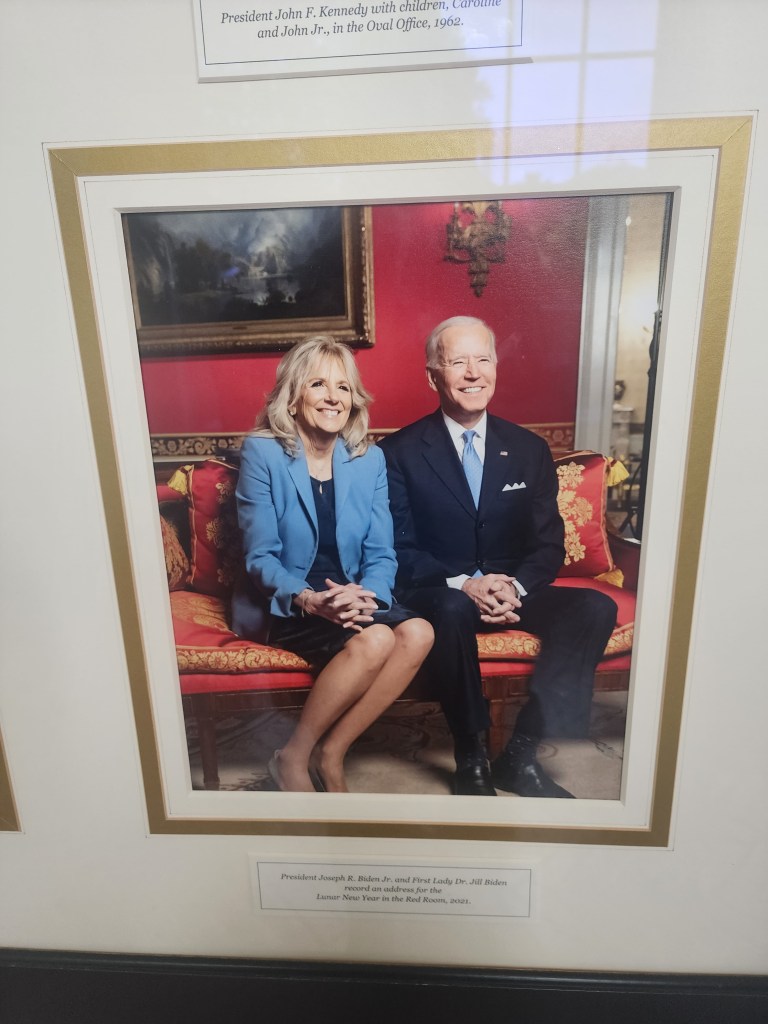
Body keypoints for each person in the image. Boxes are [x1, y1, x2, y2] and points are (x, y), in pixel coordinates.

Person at [379, 316, 617, 798]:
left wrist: (513, 586)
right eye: (457, 362)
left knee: (595, 607)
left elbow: (548, 543)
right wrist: (465, 584)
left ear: (495, 369)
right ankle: (471, 755)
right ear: (433, 376)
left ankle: (521, 755)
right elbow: (398, 548)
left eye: (483, 360)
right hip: (442, 590)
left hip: (512, 589)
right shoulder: (397, 452)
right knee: (450, 608)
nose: (473, 373)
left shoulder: (529, 449)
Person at [233, 335, 434, 794]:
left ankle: (332, 752)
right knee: (377, 639)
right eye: (318, 384)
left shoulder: (369, 460)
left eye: (343, 387)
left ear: (354, 399)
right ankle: (293, 756)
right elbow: (260, 557)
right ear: (294, 396)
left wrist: (368, 595)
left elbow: (381, 553)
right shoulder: (263, 453)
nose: (332, 397)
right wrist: (310, 599)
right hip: (290, 601)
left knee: (420, 632)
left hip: (352, 594)